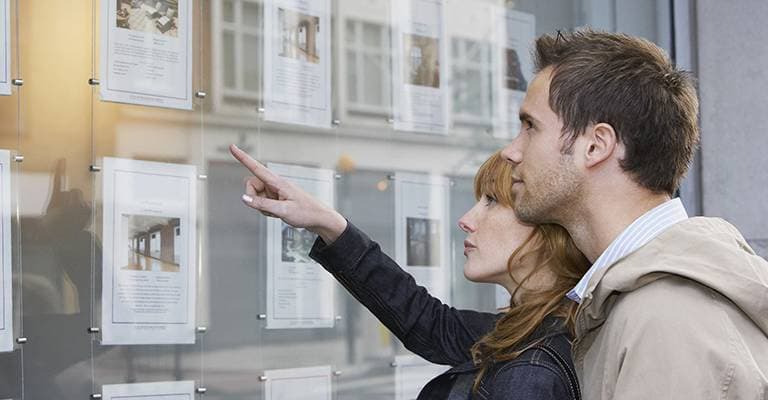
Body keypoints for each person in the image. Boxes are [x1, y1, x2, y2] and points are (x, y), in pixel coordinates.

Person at [501, 29, 768, 399]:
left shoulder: (666, 320)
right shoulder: (640, 300)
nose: (511, 151)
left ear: (595, 146)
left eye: (530, 126)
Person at [230, 145, 590, 400]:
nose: (466, 220)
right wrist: (328, 224)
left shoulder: (533, 369)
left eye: (491, 201)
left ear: (547, 229)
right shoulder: (531, 329)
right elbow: (428, 322)